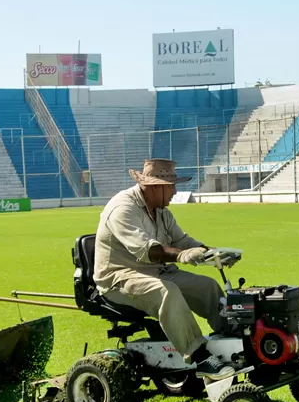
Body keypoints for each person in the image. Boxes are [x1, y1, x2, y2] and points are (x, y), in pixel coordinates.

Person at [93, 158, 235, 380]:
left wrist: (216, 253)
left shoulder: (161, 211)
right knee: (167, 292)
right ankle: (201, 357)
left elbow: (182, 240)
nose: (175, 191)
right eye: (172, 186)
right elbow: (146, 251)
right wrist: (181, 255)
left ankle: (233, 343)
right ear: (156, 186)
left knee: (208, 287)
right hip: (120, 277)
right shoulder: (122, 208)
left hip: (156, 271)